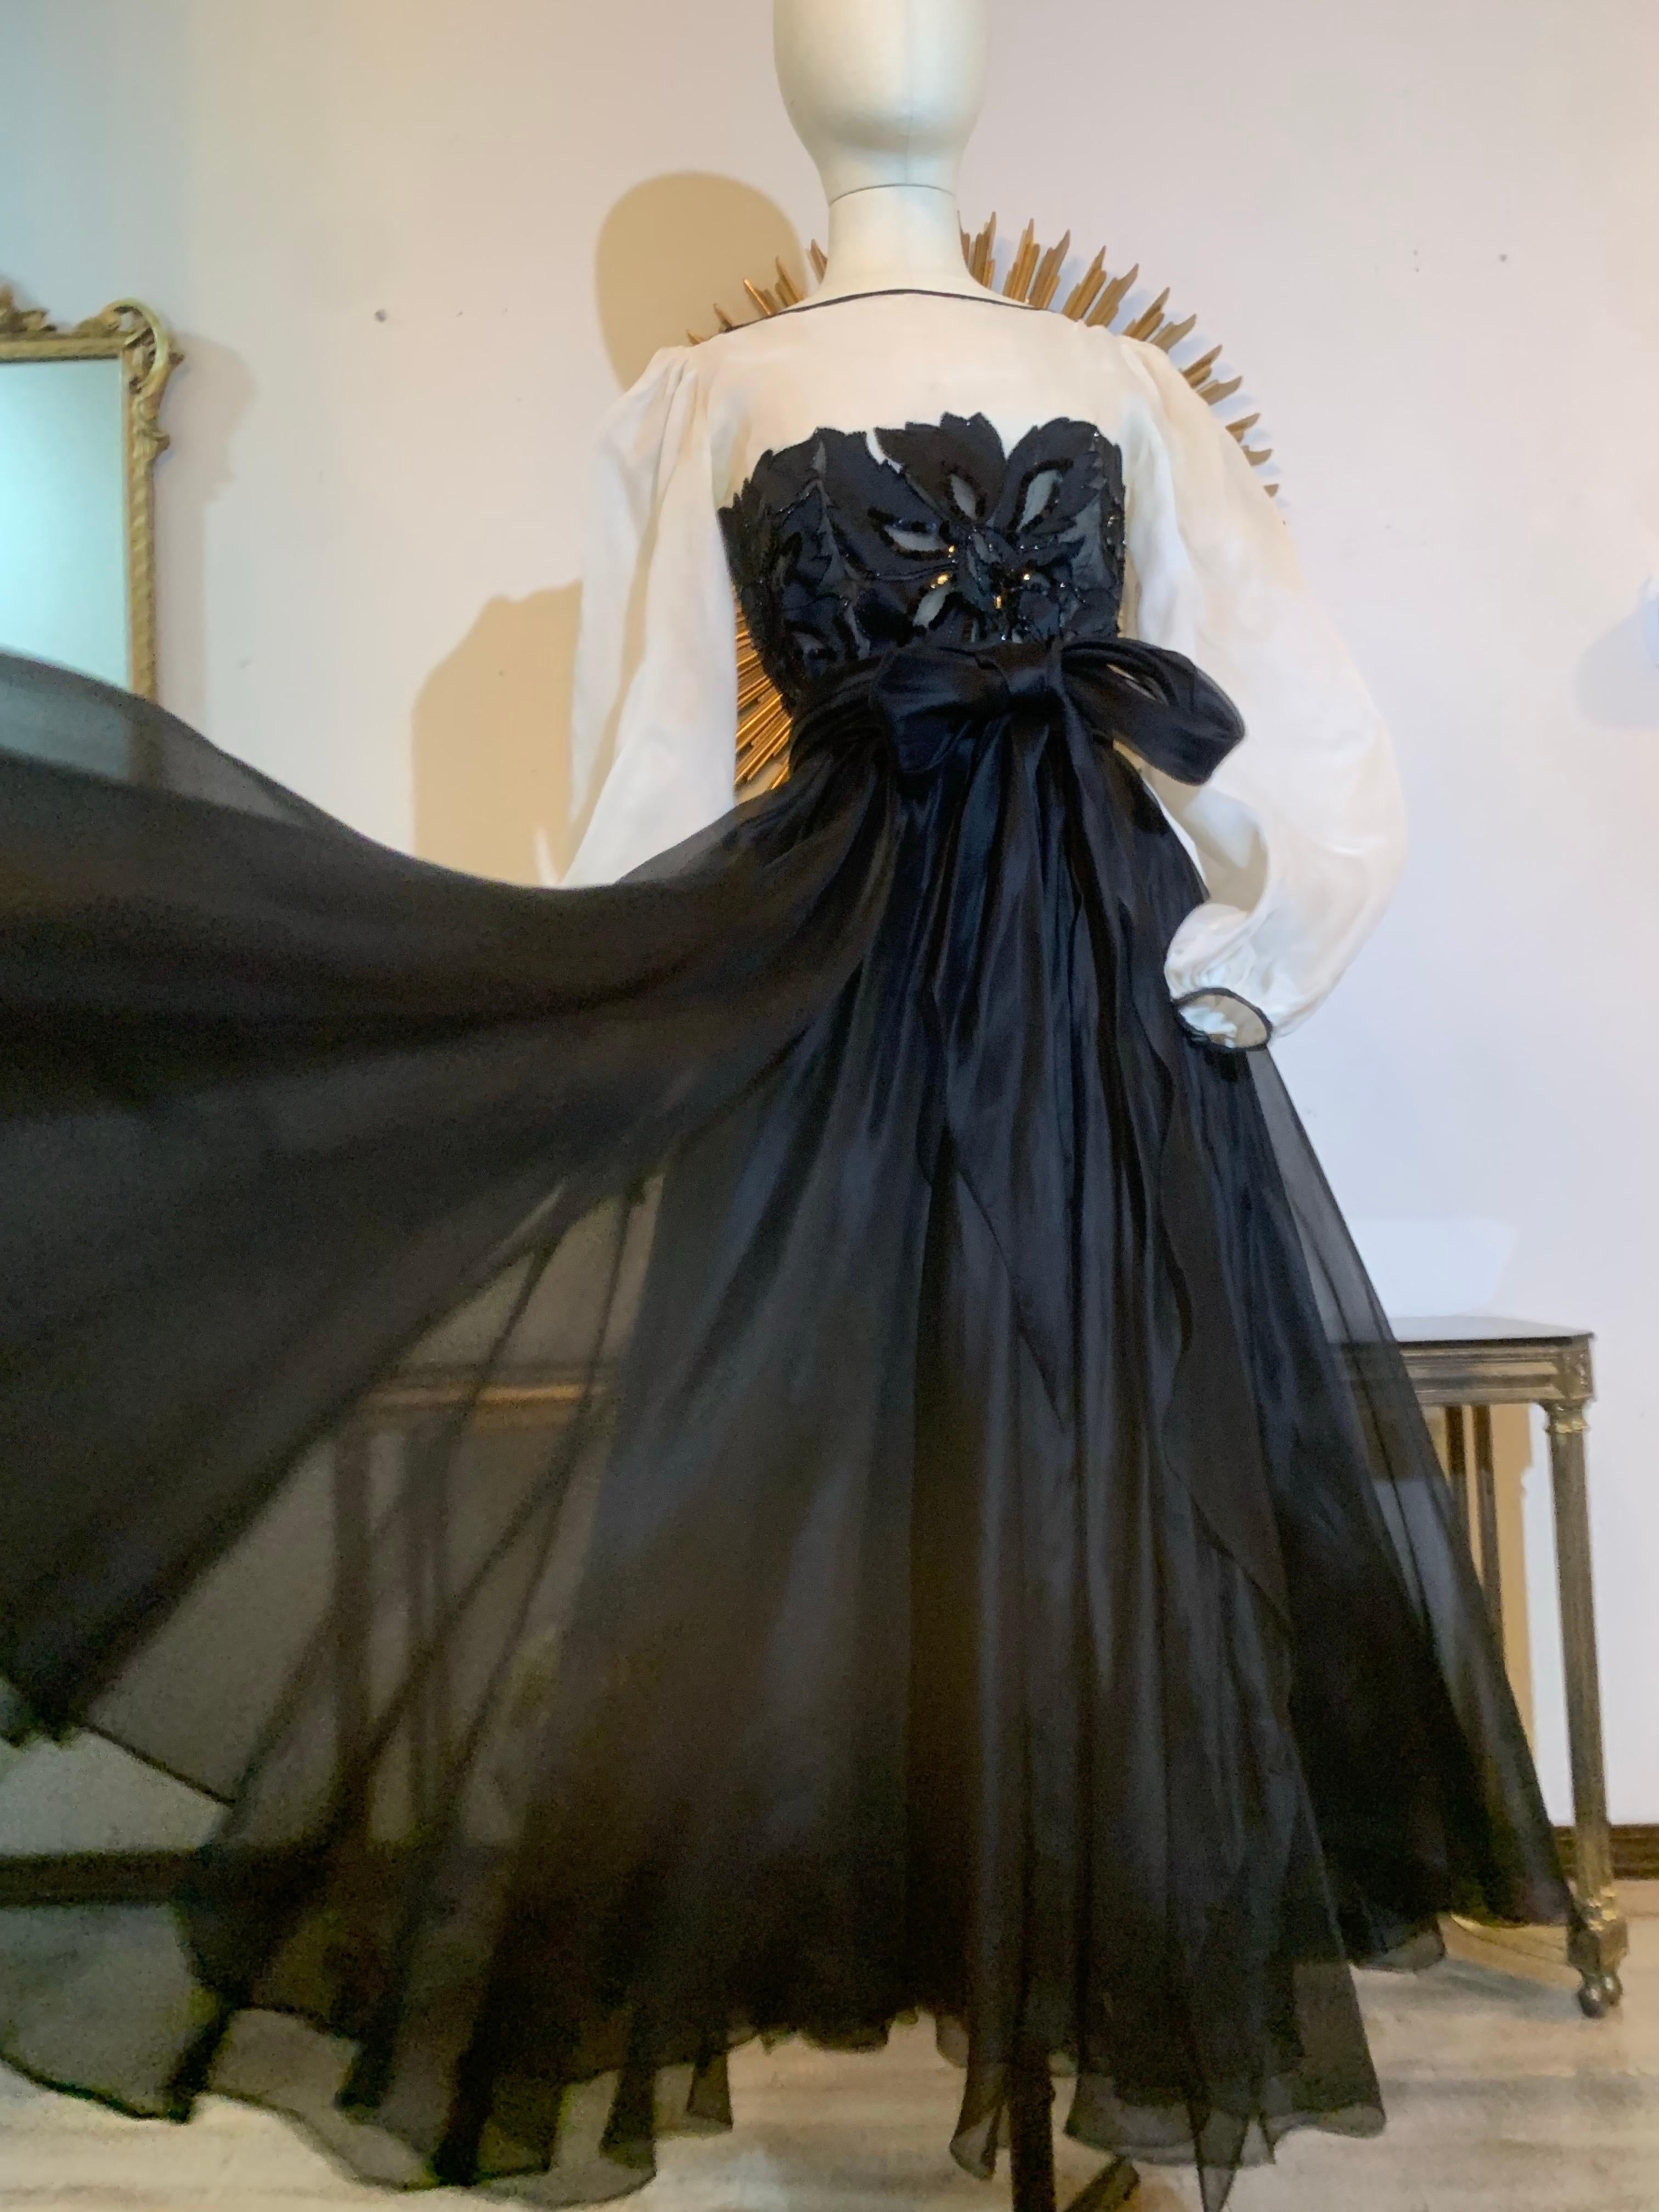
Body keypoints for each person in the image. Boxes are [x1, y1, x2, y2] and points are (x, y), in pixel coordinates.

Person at [0, 5, 1570, 2209]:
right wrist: (608, 1018)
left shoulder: (1121, 384)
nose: (894, 40)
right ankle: (938, 1965)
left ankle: (1104, 2050)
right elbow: (650, 773)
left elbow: (1293, 709)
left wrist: (1265, 941)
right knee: (855, 1496)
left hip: (1104, 1005)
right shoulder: (696, 401)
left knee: (1104, 1493)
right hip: (835, 991)